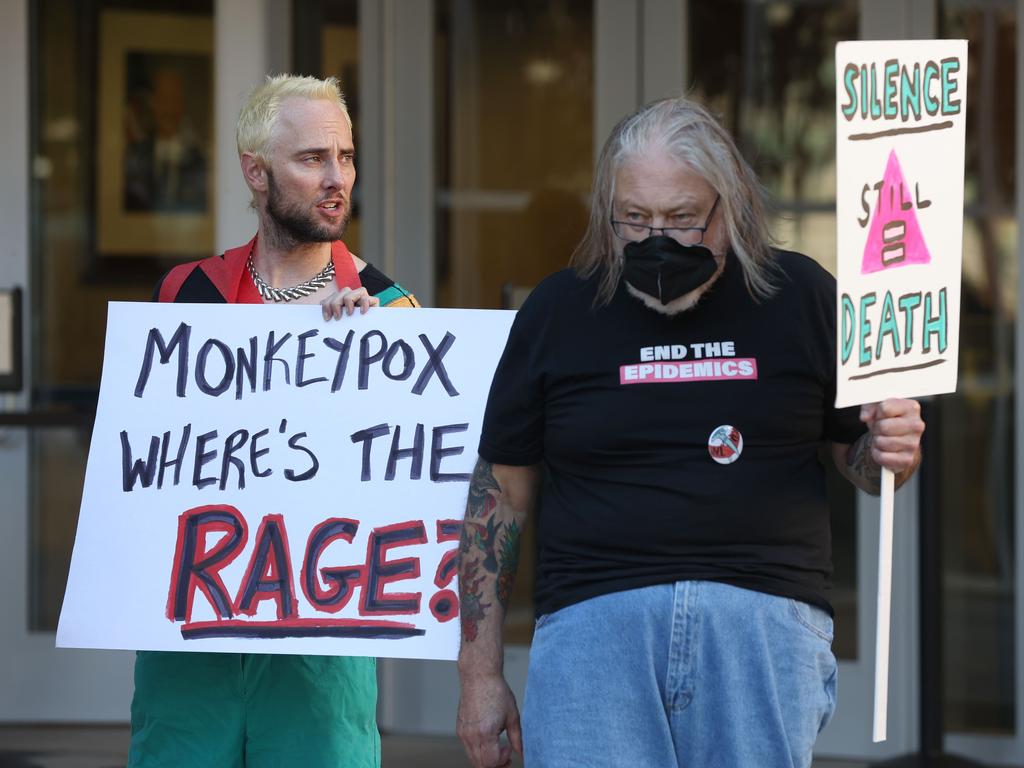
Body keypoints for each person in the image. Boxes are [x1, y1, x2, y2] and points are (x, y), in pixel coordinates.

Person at [455, 97, 924, 768]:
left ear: (728, 208)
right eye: (635, 219)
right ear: (608, 212)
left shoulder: (803, 297)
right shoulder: (559, 310)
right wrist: (479, 676)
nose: (656, 241)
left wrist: (890, 451)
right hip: (594, 632)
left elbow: (869, 463)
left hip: (761, 626)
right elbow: (498, 497)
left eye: (681, 219)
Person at [128, 74, 417, 768]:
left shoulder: (389, 307)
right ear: (255, 173)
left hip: (320, 636)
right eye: (312, 158)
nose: (336, 177)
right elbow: (151, 459)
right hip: (196, 632)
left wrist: (361, 362)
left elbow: (401, 485)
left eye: (345, 157)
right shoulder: (188, 293)